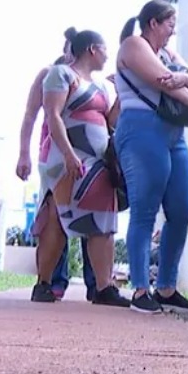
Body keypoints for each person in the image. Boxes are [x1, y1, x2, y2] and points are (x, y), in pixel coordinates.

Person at [114, 0, 188, 314]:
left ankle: (167, 287)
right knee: (144, 209)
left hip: (173, 132)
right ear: (154, 23)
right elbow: (162, 82)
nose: (172, 31)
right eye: (170, 24)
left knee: (182, 209)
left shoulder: (168, 53)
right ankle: (141, 288)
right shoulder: (133, 45)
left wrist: (185, 79)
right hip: (142, 127)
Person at [33, 29, 130, 307]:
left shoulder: (100, 86)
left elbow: (109, 121)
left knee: (103, 219)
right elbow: (52, 114)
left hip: (97, 162)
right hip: (66, 158)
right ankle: (44, 282)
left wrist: (122, 96)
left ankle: (103, 286)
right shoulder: (61, 74)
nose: (108, 55)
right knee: (57, 216)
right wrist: (67, 153)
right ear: (91, 49)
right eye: (105, 49)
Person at [18, 27, 98, 302]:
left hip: (89, 158)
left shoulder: (89, 80)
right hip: (53, 154)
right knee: (56, 215)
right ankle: (53, 281)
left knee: (92, 216)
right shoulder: (50, 74)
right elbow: (30, 116)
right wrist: (23, 154)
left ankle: (96, 283)